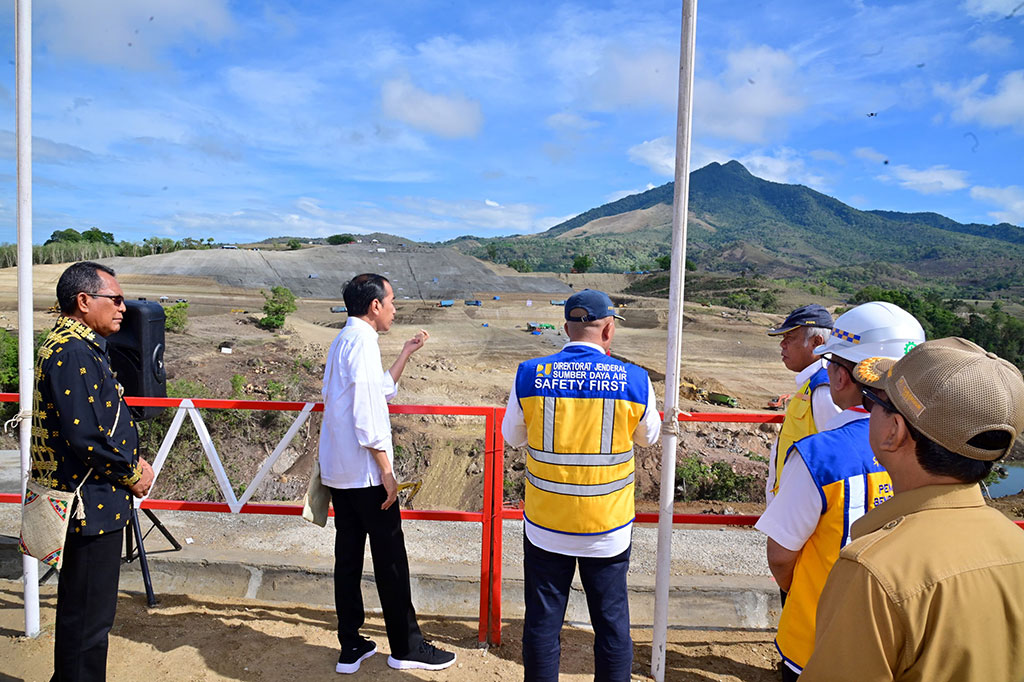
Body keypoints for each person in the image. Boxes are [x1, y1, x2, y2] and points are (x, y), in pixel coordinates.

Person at [802, 337, 1024, 681]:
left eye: (873, 400)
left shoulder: (875, 572)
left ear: (894, 431)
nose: (868, 409)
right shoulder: (1016, 545)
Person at [755, 301, 925, 680]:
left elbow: (781, 556)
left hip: (820, 637)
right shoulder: (937, 449)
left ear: (840, 375)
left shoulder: (822, 455)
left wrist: (797, 591)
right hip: (901, 642)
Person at [501, 289, 661, 682]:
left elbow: (512, 436)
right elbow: (649, 437)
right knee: (610, 624)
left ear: (565, 328)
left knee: (542, 623)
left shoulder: (529, 374)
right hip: (607, 528)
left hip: (546, 527)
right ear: (608, 329)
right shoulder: (635, 380)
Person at [318, 273, 455, 674]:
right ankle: (407, 646)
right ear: (374, 305)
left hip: (341, 473)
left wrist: (407, 352)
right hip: (365, 475)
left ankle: (351, 645)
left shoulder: (345, 339)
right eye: (392, 300)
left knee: (347, 560)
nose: (395, 307)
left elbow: (378, 390)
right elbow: (367, 414)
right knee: (392, 559)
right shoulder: (361, 343)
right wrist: (387, 470)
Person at [30, 261, 155, 681]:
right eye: (115, 299)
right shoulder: (73, 351)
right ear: (84, 302)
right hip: (89, 506)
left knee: (83, 616)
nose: (123, 308)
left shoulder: (72, 345)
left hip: (90, 501)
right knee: (87, 621)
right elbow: (84, 436)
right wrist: (131, 472)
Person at [765, 304, 840, 505]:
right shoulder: (813, 384)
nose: (782, 345)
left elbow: (839, 459)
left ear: (817, 342)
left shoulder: (823, 390)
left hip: (807, 513)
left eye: (789, 339)